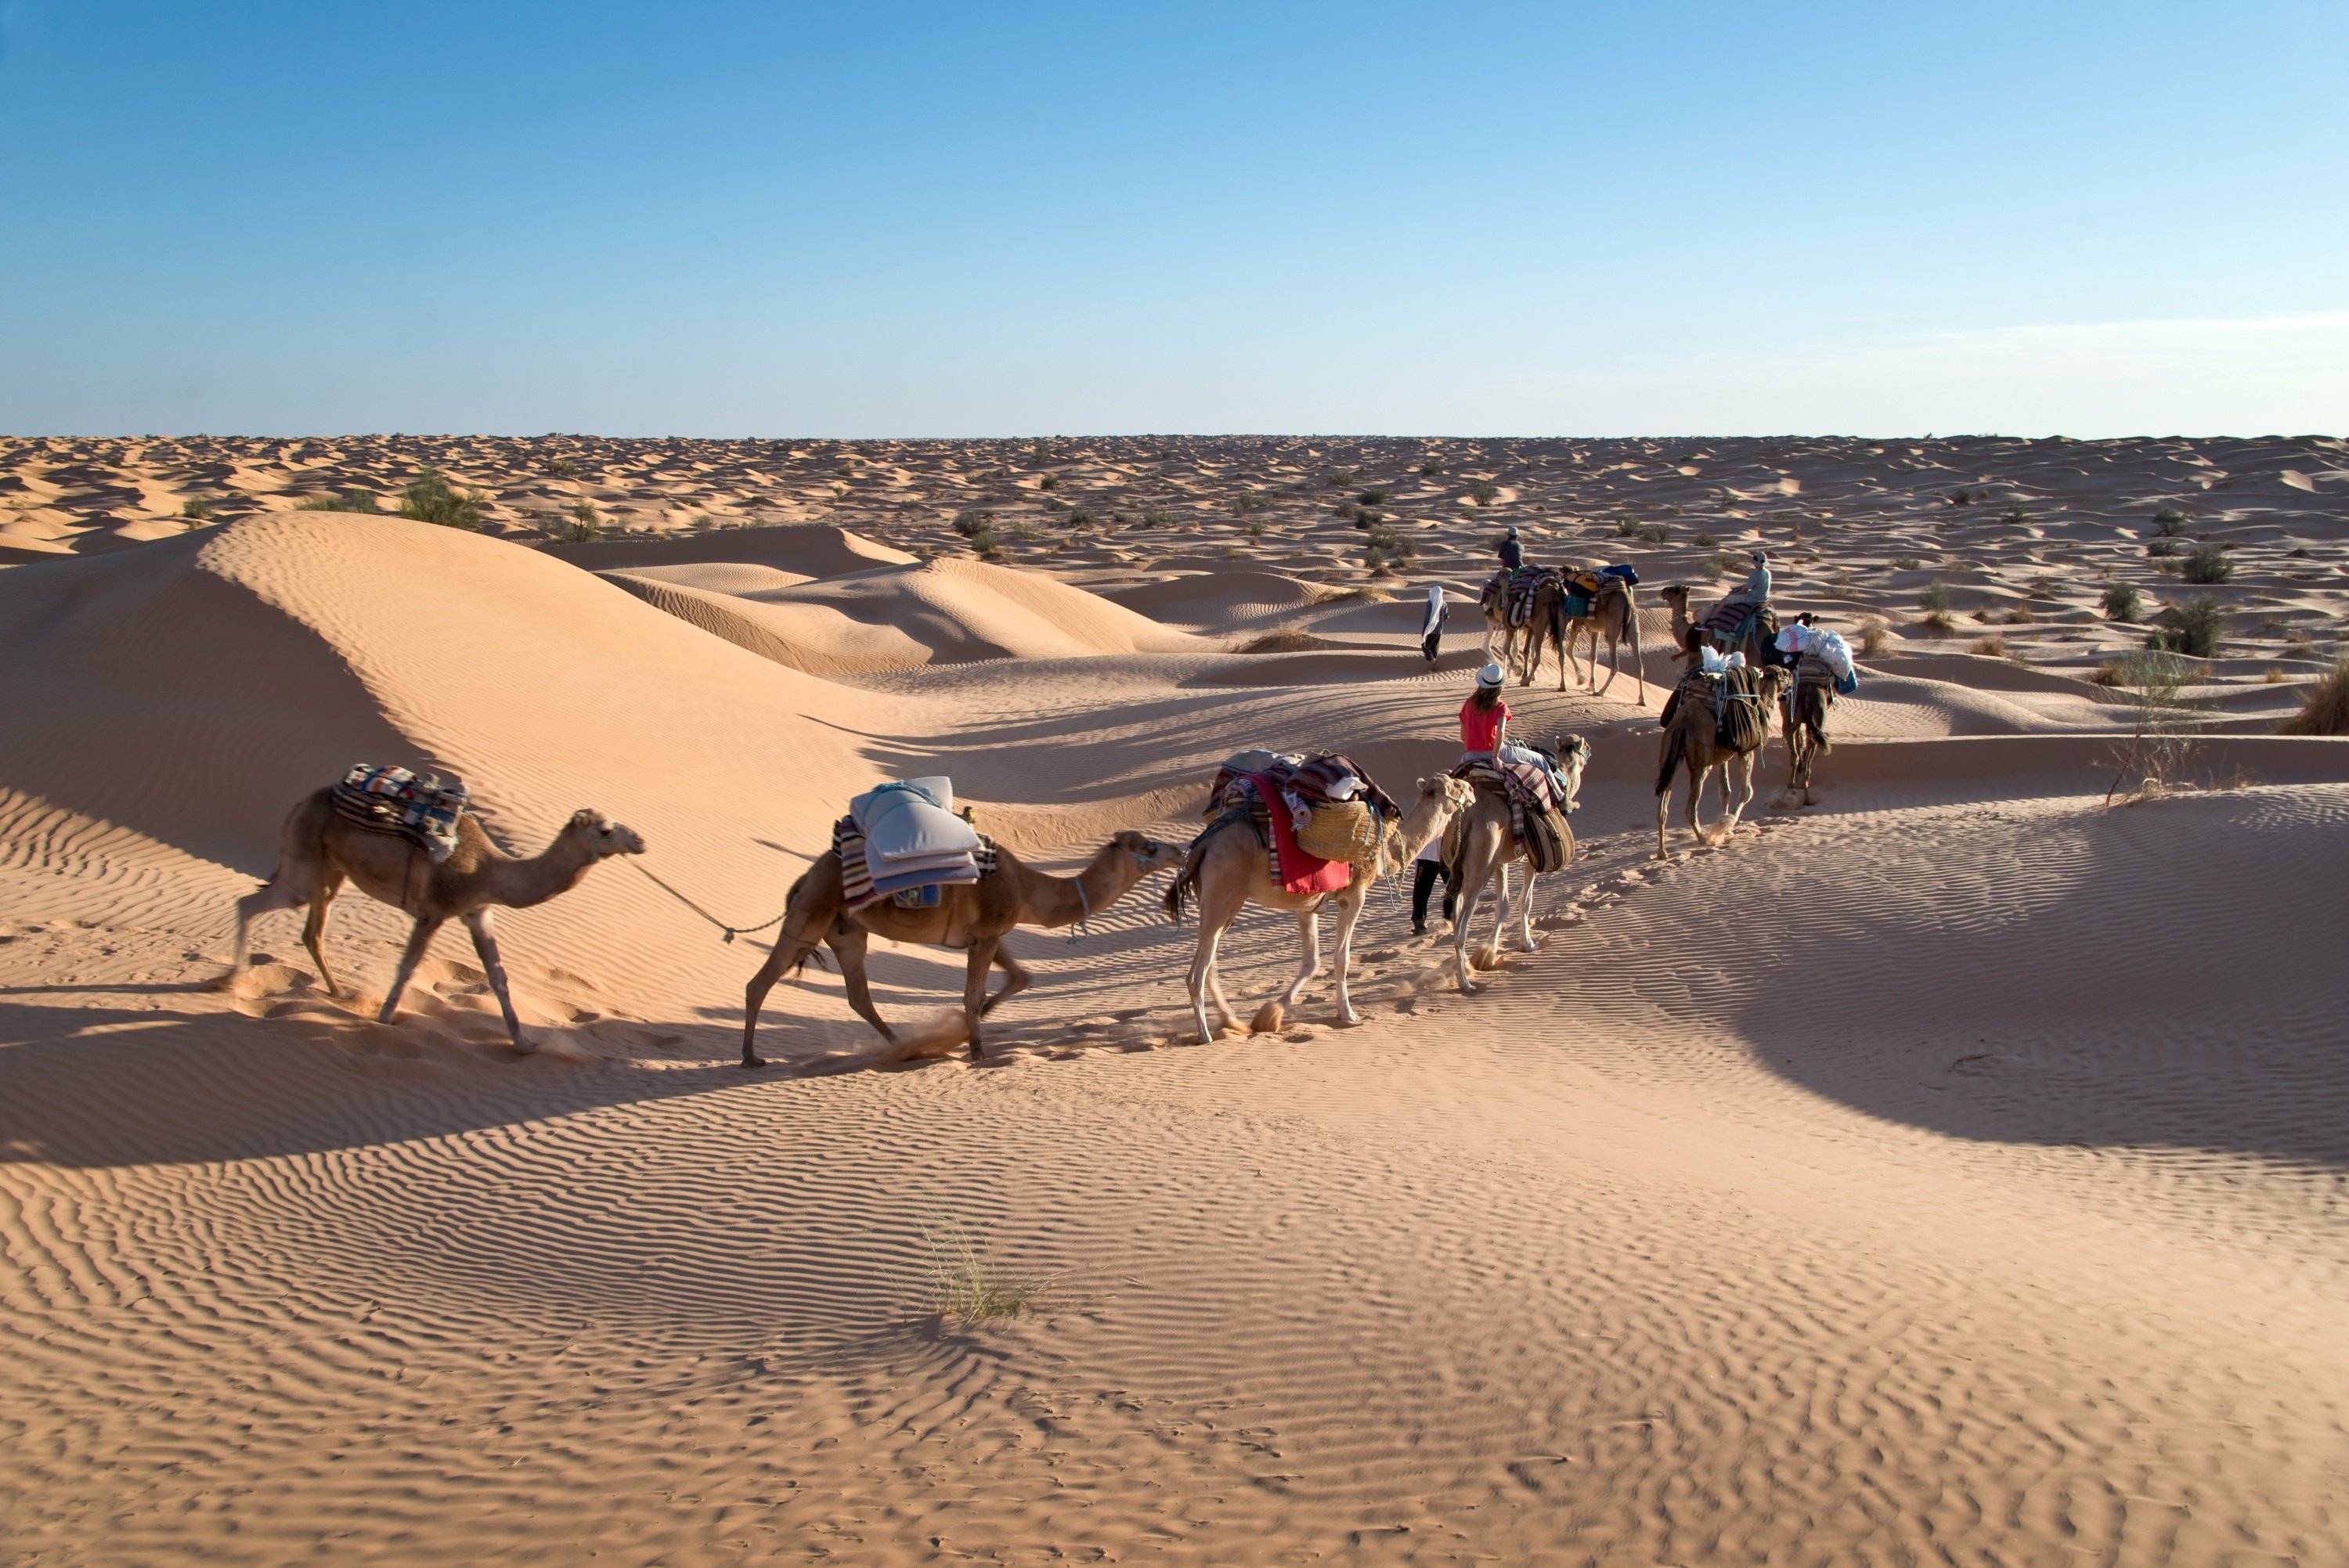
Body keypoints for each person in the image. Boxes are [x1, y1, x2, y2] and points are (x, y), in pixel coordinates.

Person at [1410, 833, 1456, 934]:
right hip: (1426, 855)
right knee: (1421, 891)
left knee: (1453, 887)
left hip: (1448, 854)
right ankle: (1419, 923)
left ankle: (1451, 917)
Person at [1420, 582, 1446, 665]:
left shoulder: (1430, 603)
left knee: (1425, 646)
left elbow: (1427, 618)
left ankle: (1431, 663)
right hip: (1439, 630)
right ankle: (1434, 664)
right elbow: (1446, 617)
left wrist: (1425, 629)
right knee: (1435, 647)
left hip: (1429, 628)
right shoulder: (1444, 604)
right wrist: (1440, 623)